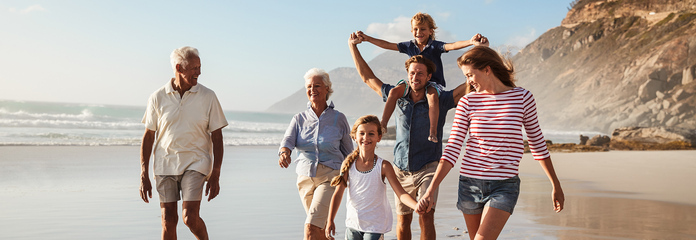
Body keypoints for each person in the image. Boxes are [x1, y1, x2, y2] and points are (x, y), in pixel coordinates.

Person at [417, 46, 565, 240]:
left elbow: (537, 144)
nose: (468, 81)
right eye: (466, 77)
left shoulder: (522, 98)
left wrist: (555, 184)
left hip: (504, 186)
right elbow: (452, 148)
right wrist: (431, 190)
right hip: (469, 185)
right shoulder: (467, 102)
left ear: (487, 69)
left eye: (470, 75)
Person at [348, 32, 471, 240]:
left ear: (429, 77)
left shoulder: (440, 99)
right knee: (403, 220)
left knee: (425, 216)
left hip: (429, 167)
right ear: (408, 74)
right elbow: (368, 78)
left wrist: (479, 52)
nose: (416, 77)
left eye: (421, 74)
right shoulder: (399, 95)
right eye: (413, 73)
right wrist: (353, 47)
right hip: (401, 170)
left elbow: (469, 85)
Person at [139, 46, 228, 240]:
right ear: (179, 68)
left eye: (200, 67)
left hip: (196, 163)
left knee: (189, 217)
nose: (199, 72)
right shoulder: (157, 97)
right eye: (194, 67)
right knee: (168, 220)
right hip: (165, 165)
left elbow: (217, 136)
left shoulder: (208, 96)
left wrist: (216, 173)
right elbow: (148, 136)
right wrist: (144, 172)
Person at [357, 12, 488, 143]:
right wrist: (368, 38)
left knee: (432, 98)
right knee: (393, 92)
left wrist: (471, 42)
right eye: (415, 29)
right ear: (411, 30)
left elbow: (452, 45)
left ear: (431, 31)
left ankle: (432, 131)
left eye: (423, 29)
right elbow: (387, 44)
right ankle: (383, 124)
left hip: (433, 84)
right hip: (414, 82)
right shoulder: (409, 46)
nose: (419, 32)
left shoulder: (435, 46)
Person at [279, 68, 354, 240]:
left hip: (331, 177)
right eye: (309, 86)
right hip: (304, 178)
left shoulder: (338, 118)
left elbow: (349, 152)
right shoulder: (299, 119)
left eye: (317, 85)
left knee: (310, 228)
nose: (313, 89)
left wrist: (355, 176)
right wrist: (284, 153)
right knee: (320, 231)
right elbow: (287, 141)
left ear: (327, 88)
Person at [324, 115, 420, 240]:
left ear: (379, 137)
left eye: (371, 134)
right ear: (354, 136)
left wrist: (416, 206)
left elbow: (400, 193)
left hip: (375, 226)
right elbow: (338, 194)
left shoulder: (384, 166)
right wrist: (330, 220)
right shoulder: (348, 165)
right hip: (353, 224)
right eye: (362, 133)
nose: (366, 138)